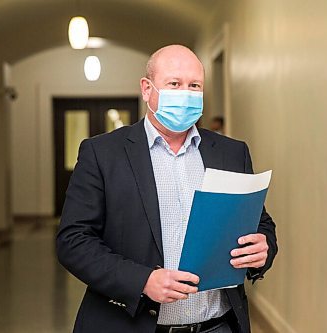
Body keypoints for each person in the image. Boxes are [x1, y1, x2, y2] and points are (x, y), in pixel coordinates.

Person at [56, 45, 278, 333]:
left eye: (194, 85)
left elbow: (260, 222)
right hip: (130, 325)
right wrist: (142, 281)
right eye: (174, 84)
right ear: (147, 89)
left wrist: (264, 248)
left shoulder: (231, 153)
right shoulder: (103, 153)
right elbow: (73, 240)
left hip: (218, 326)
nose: (185, 93)